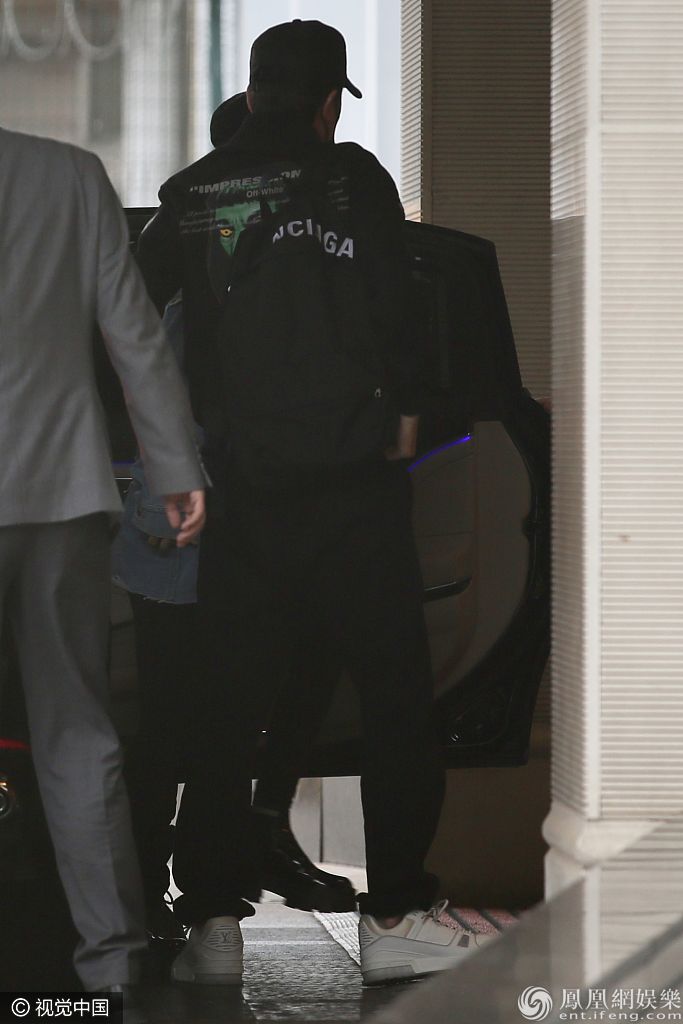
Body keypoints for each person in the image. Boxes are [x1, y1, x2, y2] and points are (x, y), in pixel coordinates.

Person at [137, 20, 486, 987]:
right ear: (331, 100)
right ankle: (396, 914)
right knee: (394, 700)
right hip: (352, 492)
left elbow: (132, 326)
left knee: (223, 707)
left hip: (239, 495)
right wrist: (404, 421)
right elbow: (398, 311)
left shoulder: (192, 195)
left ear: (251, 95)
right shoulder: (354, 179)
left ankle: (213, 926)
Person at [113, 95, 355, 946]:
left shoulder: (178, 269)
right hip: (251, 533)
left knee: (165, 721)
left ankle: (150, 897)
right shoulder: (297, 280)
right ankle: (213, 903)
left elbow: (139, 388)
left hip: (175, 537)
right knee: (225, 724)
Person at [0, 126, 206, 1010]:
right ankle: (111, 966)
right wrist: (175, 467)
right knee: (77, 731)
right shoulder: (71, 176)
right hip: (60, 490)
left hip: (58, 492)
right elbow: (134, 336)